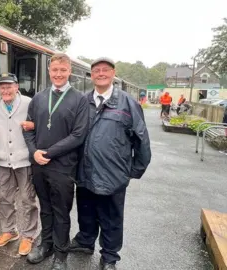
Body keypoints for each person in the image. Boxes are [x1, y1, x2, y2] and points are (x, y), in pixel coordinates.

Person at [67, 57, 152, 270]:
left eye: (105, 70)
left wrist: (133, 170)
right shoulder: (83, 101)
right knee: (85, 209)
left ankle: (110, 256)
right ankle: (85, 241)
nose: (101, 73)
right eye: (96, 70)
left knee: (111, 216)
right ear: (91, 75)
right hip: (85, 170)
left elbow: (141, 138)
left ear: (113, 74)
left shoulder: (127, 103)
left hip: (114, 174)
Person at [23, 53, 89, 270]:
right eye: (55, 70)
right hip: (39, 165)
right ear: (49, 71)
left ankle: (61, 255)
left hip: (63, 167)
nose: (58, 74)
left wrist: (48, 153)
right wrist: (33, 152)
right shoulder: (39, 98)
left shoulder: (79, 99)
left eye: (63, 70)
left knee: (61, 211)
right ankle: (46, 245)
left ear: (69, 71)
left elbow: (78, 135)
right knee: (45, 208)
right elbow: (28, 128)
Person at [0, 73, 39, 256]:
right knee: (4, 197)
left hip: (24, 160)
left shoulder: (29, 102)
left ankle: (28, 235)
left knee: (27, 199)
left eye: (9, 86)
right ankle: (10, 231)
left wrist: (33, 125)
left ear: (17, 87)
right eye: (2, 86)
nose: (5, 90)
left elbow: (38, 126)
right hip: (3, 160)